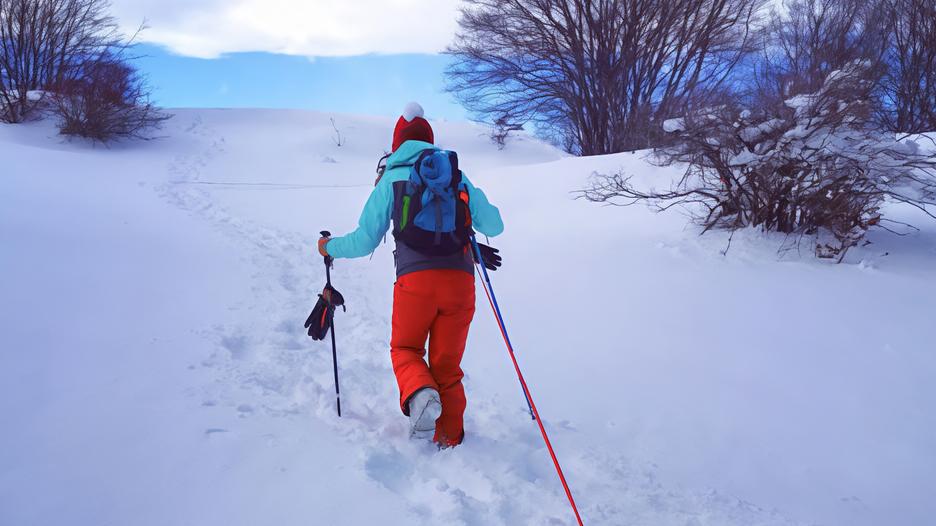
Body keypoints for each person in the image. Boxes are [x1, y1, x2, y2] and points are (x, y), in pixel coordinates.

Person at [317, 102, 504, 448]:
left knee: (406, 348)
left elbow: (364, 240)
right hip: (460, 284)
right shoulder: (455, 174)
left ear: (397, 143)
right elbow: (495, 225)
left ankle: (420, 393)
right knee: (447, 365)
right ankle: (450, 440)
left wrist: (329, 248)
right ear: (430, 141)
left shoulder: (391, 177)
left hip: (415, 283)